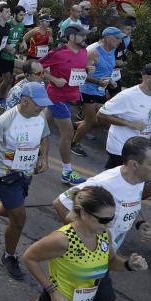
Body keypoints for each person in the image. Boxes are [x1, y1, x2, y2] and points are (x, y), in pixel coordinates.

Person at [16, 136, 151, 301]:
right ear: (134, 164)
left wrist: (140, 222)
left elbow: (132, 203)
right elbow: (60, 203)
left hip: (104, 256)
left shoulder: (138, 180)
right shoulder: (104, 183)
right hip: (93, 255)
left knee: (77, 295)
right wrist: (83, 239)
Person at [0, 186, 148, 301]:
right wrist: (52, 291)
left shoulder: (104, 234)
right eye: (104, 220)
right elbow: (29, 257)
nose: (110, 224)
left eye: (112, 218)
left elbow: (111, 262)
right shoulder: (63, 239)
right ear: (84, 214)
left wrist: (129, 264)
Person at [0, 83, 52, 280]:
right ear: (24, 101)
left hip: (26, 174)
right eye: (38, 104)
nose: (41, 108)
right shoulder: (6, 120)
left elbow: (45, 136)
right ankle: (9, 256)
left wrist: (43, 157)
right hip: (6, 174)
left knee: (9, 209)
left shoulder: (39, 116)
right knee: (19, 218)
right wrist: (20, 159)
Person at [40, 24, 90, 185]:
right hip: (56, 96)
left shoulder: (84, 52)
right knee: (67, 134)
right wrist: (54, 80)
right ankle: (67, 172)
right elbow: (37, 67)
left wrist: (88, 70)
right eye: (81, 35)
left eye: (85, 35)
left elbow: (78, 70)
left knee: (41, 127)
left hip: (70, 97)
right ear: (71, 37)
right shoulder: (58, 53)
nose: (84, 38)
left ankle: (24, 148)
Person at [97, 63, 151, 168]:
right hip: (121, 149)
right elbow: (101, 115)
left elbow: (149, 120)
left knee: (113, 179)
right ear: (148, 78)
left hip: (139, 149)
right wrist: (129, 123)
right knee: (128, 180)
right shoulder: (127, 96)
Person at [70, 27, 126, 157]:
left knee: (103, 119)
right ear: (107, 37)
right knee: (90, 120)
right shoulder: (94, 52)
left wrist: (110, 81)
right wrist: (98, 82)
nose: (119, 41)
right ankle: (73, 144)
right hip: (87, 90)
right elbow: (82, 74)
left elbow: (107, 70)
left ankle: (76, 125)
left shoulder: (112, 50)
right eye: (117, 38)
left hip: (100, 90)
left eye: (120, 38)